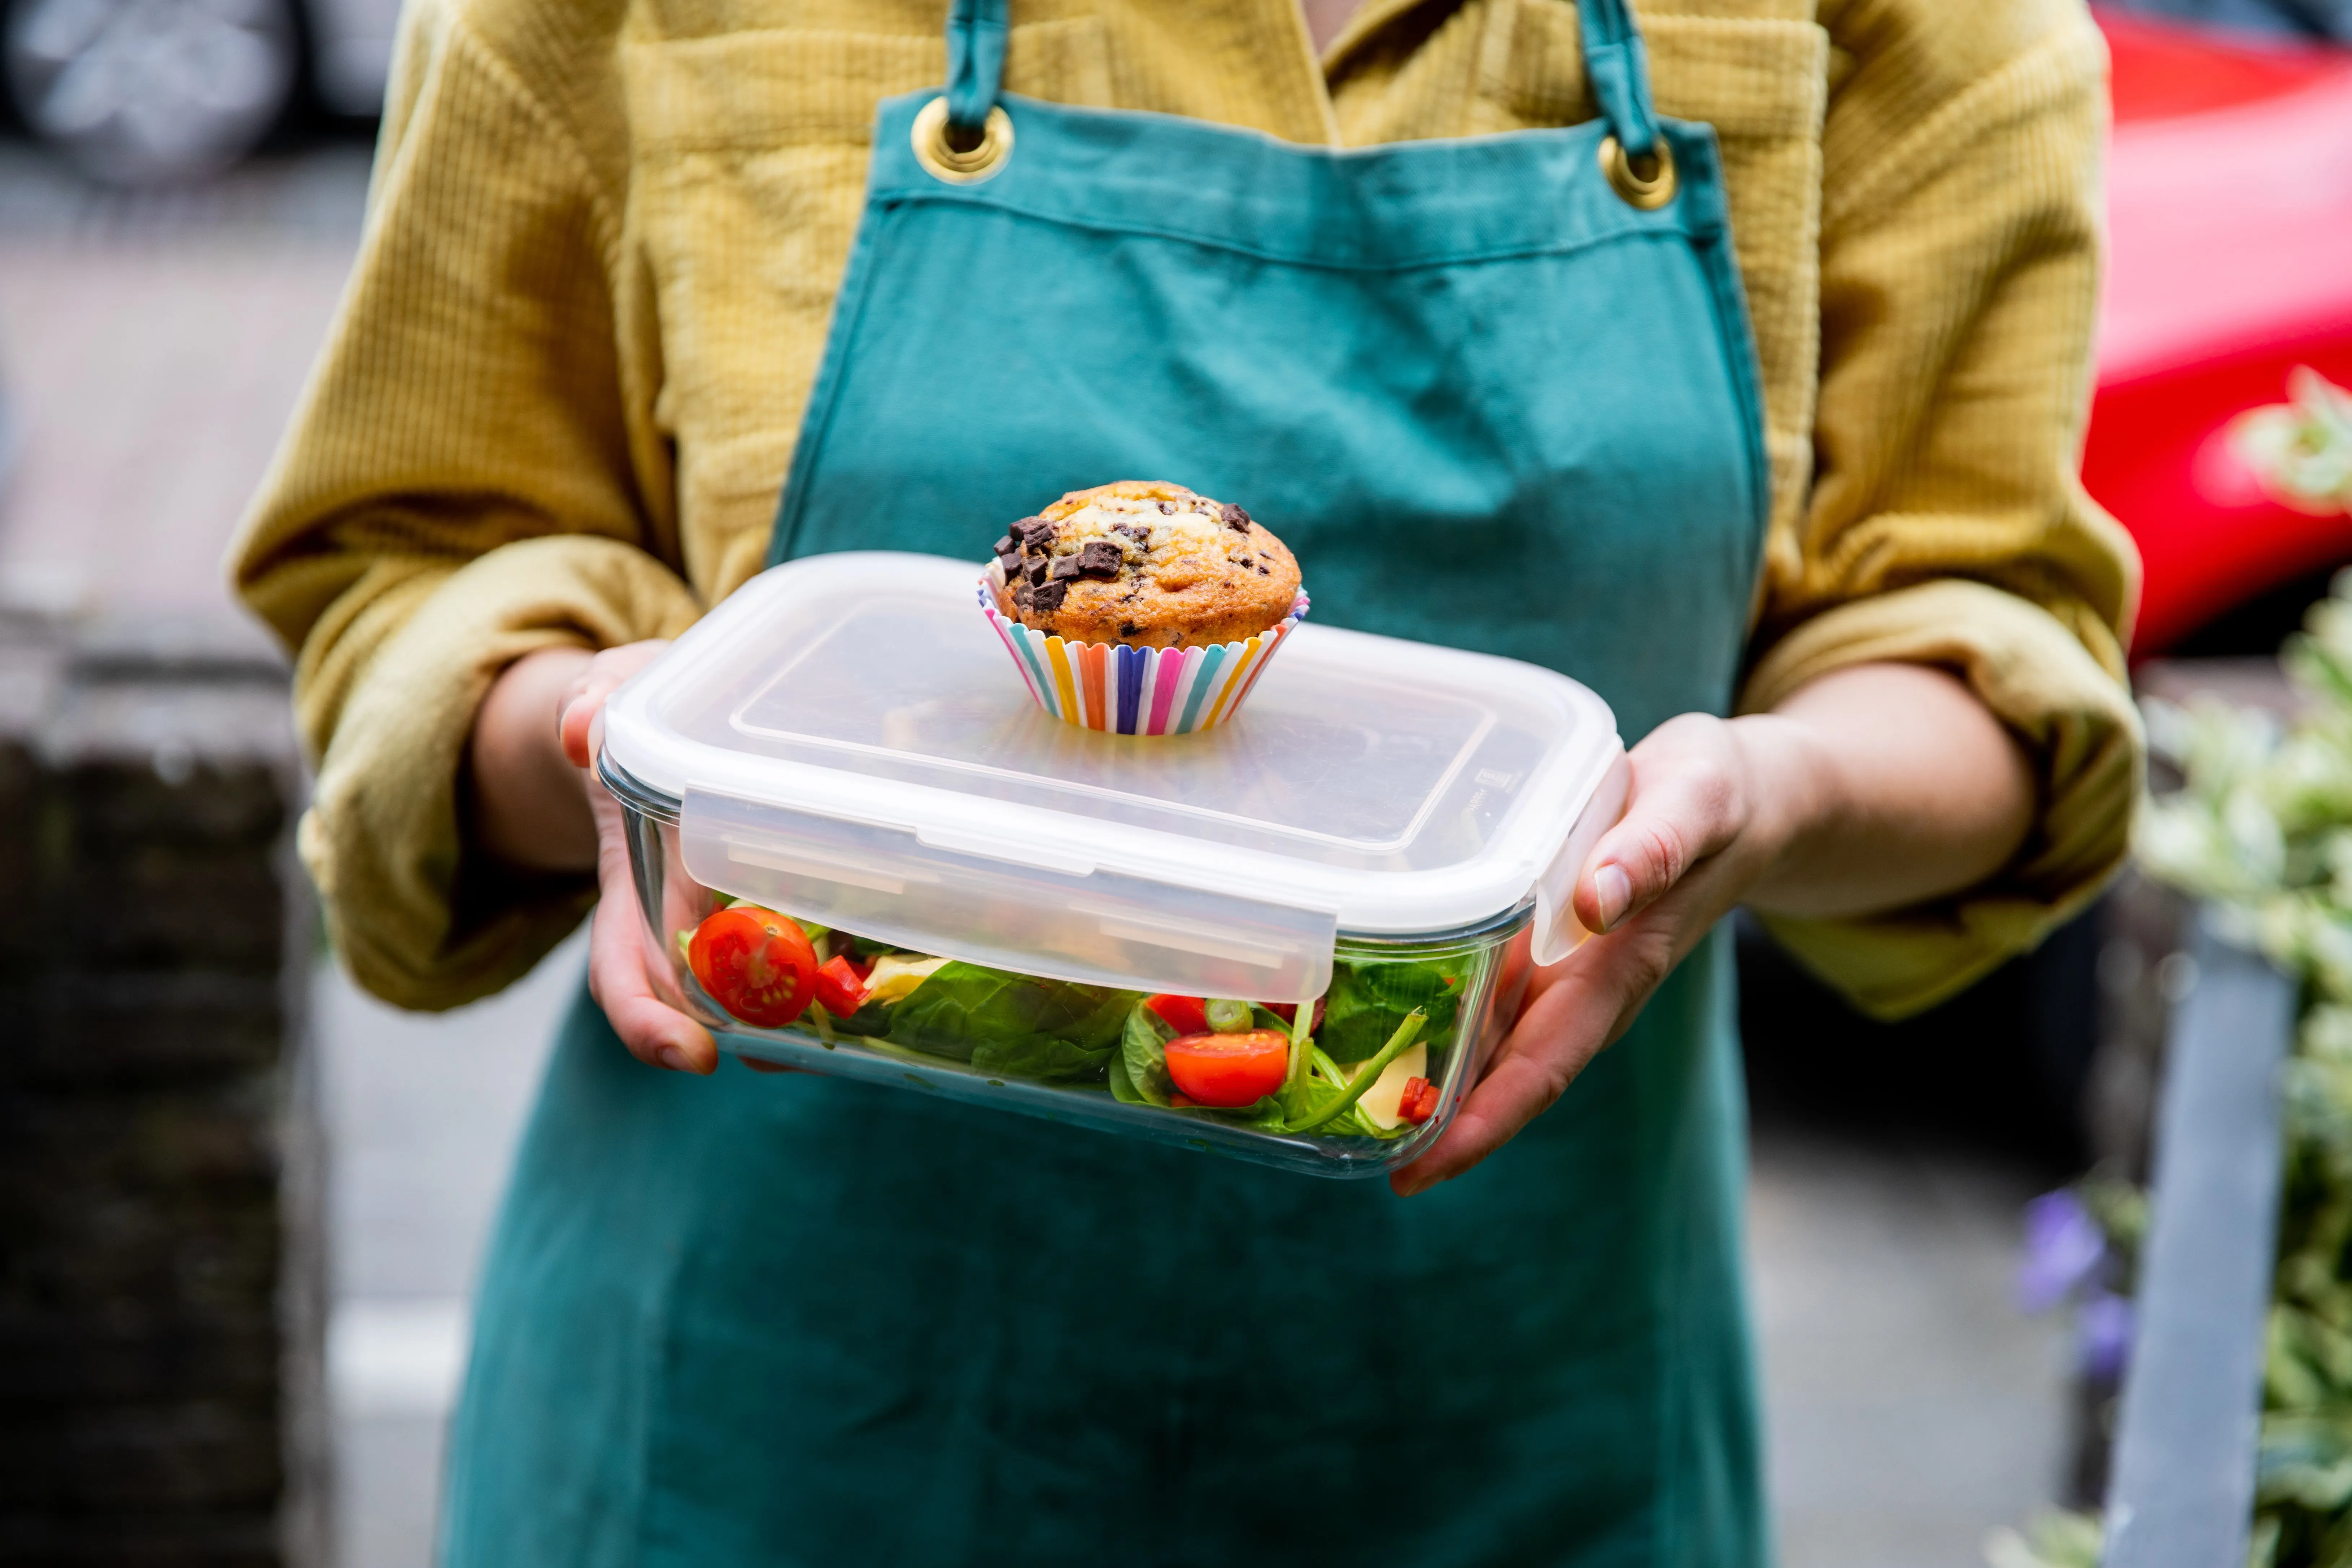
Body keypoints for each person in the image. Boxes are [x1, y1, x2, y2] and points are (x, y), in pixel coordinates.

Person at [232, 0, 2141, 1560]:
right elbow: (417, 565)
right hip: (771, 1436)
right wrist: (626, 738)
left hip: (1521, 1435)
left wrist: (1776, 790)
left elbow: (1984, 641)